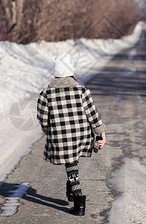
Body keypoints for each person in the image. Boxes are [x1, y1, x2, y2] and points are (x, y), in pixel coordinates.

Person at [36, 52, 107, 216]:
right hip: (82, 135)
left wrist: (50, 133)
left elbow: (43, 119)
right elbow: (92, 115)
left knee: (70, 165)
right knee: (72, 161)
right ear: (71, 71)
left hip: (60, 137)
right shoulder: (82, 91)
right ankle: (71, 189)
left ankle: (78, 200)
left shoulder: (46, 94)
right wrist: (101, 133)